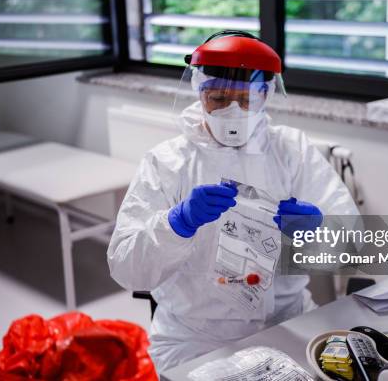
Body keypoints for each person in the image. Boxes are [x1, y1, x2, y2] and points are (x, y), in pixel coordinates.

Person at [108, 30, 359, 373]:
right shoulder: (167, 162)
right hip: (195, 338)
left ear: (267, 95)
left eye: (246, 99)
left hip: (288, 322)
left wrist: (316, 231)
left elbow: (351, 244)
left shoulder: (292, 151)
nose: (232, 111)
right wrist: (176, 223)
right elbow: (127, 269)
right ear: (199, 93)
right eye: (218, 98)